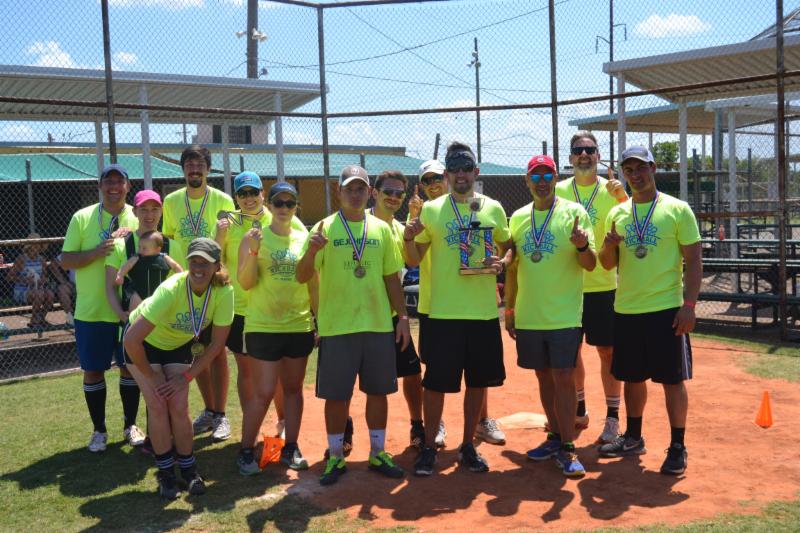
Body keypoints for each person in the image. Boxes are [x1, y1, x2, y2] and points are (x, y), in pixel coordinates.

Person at [296, 165, 411, 486]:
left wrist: (402, 318)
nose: (356, 194)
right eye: (349, 189)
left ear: (369, 192)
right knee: (336, 396)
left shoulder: (381, 229)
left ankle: (377, 452)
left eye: (361, 189)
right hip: (337, 327)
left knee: (379, 392)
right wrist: (312, 250)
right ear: (339, 191)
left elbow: (391, 278)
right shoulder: (324, 228)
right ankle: (335, 456)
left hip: (377, 325)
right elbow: (302, 276)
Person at [403, 142, 512, 476]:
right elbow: (413, 260)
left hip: (482, 313)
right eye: (455, 169)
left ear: (475, 172)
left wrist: (502, 263)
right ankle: (429, 448)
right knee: (436, 383)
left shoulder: (493, 207)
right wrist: (408, 238)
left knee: (477, 381)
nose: (461, 174)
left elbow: (508, 246)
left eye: (466, 168)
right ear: (447, 174)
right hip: (442, 314)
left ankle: (467, 445)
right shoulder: (432, 210)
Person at [597, 146, 702, 476]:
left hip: (666, 309)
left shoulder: (677, 209)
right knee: (631, 377)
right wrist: (609, 246)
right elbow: (607, 263)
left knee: (673, 380)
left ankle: (677, 446)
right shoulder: (618, 213)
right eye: (629, 170)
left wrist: (689, 305)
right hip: (627, 309)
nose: (635, 175)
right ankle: (633, 437)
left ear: (653, 168)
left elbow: (694, 260)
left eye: (641, 168)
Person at [505, 154, 596, 478]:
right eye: (536, 176)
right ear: (527, 181)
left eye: (547, 176)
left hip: (564, 315)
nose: (542, 182)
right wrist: (510, 309)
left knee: (564, 377)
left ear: (555, 178)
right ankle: (555, 437)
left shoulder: (574, 213)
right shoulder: (517, 218)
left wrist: (582, 246)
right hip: (530, 315)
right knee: (543, 376)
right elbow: (512, 268)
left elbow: (590, 264)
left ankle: (569, 447)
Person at [123, 238, 234, 499]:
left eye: (205, 263)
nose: (198, 268)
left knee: (179, 405)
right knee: (158, 404)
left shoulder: (224, 292)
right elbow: (131, 340)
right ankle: (166, 473)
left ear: (217, 266)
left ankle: (189, 468)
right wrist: (152, 376)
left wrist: (186, 377)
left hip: (177, 346)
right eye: (194, 261)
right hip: (143, 345)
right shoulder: (172, 288)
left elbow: (217, 344)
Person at [215, 172, 308, 445]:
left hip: (279, 312)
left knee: (280, 379)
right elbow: (216, 260)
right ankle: (252, 429)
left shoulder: (280, 217)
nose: (248, 198)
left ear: (262, 195)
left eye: (253, 192)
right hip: (240, 308)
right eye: (242, 194)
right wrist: (219, 237)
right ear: (235, 197)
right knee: (248, 373)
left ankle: (283, 422)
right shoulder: (228, 223)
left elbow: (304, 254)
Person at [554, 131, 628, 445]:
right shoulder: (558, 190)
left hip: (602, 284)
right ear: (570, 157)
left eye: (589, 150)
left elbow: (634, 219)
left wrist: (623, 196)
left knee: (608, 352)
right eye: (578, 150)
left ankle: (612, 418)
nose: (584, 155)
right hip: (567, 285)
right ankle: (579, 408)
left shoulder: (611, 189)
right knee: (570, 355)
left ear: (598, 155)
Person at [61, 164, 141, 452]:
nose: (114, 187)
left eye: (120, 181)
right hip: (92, 311)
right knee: (94, 371)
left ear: (128, 186)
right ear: (100, 186)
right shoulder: (82, 217)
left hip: (129, 311)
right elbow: (66, 260)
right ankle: (99, 431)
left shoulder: (138, 216)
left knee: (130, 369)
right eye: (109, 181)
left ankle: (131, 425)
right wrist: (97, 252)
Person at [236, 182, 315, 474]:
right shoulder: (253, 237)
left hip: (298, 324)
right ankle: (246, 451)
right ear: (268, 205)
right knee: (264, 392)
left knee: (293, 389)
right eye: (278, 203)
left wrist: (318, 319)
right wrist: (254, 252)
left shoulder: (304, 238)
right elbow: (245, 283)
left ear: (296, 207)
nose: (284, 208)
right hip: (263, 326)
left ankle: (290, 447)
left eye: (289, 203)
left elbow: (312, 281)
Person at [162, 145, 236, 442]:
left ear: (208, 168)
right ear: (183, 169)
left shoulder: (223, 200)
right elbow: (167, 240)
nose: (195, 169)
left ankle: (221, 414)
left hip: (214, 284)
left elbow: (229, 241)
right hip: (184, 285)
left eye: (200, 164)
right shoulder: (171, 201)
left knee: (217, 353)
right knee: (197, 351)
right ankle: (209, 410)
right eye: (189, 165)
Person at [369, 169, 425, 449]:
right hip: (359, 315)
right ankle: (344, 431)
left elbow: (413, 262)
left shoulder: (400, 229)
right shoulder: (360, 222)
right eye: (387, 192)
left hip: (392, 315)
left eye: (398, 193)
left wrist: (413, 226)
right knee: (351, 378)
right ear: (374, 193)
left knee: (412, 373)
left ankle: (417, 425)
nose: (393, 197)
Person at [114, 231, 182, 312]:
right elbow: (127, 265)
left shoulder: (164, 257)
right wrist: (120, 275)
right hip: (139, 292)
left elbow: (175, 265)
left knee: (160, 309)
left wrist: (181, 275)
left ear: (157, 249)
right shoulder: (137, 257)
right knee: (134, 308)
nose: (140, 250)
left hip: (158, 292)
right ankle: (131, 318)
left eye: (144, 248)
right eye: (139, 247)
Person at [9, 233, 54, 328]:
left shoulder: (42, 259)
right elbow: (9, 277)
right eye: (35, 244)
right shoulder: (21, 259)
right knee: (39, 294)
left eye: (39, 244)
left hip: (38, 288)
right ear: (29, 246)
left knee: (50, 294)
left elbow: (45, 276)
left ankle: (41, 319)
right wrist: (24, 280)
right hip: (22, 290)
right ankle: (34, 321)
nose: (37, 246)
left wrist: (43, 279)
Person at [48, 254, 75, 326]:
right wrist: (63, 281)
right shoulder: (72, 250)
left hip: (91, 286)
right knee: (62, 289)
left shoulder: (95, 249)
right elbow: (53, 265)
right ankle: (71, 318)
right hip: (73, 285)